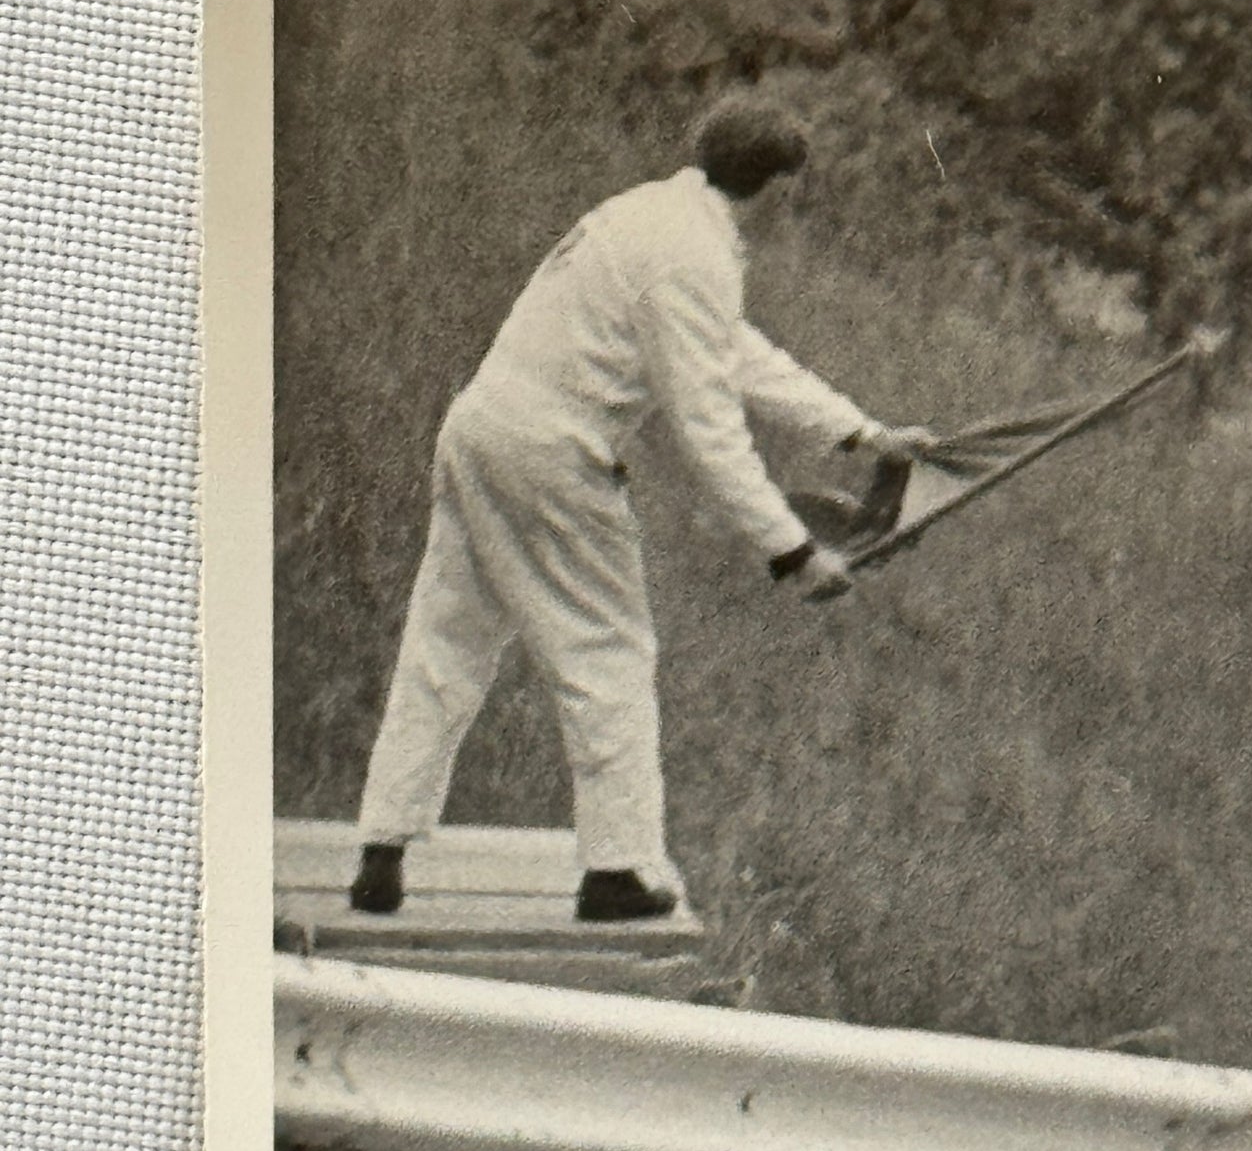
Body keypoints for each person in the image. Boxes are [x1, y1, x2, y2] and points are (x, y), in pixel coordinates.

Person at [349, 95, 937, 922]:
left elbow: (733, 351)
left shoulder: (650, 213)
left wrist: (862, 433)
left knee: (447, 638)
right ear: (776, 188)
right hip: (554, 453)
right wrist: (793, 552)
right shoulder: (693, 255)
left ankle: (381, 849)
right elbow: (707, 429)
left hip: (480, 429)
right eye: (792, 192)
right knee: (608, 653)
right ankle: (617, 871)